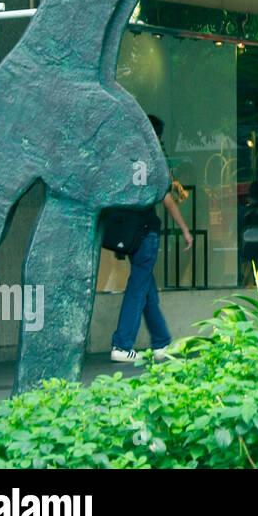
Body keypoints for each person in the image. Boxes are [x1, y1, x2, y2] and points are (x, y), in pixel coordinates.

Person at [110, 115, 192, 364]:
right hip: (147, 231)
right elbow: (166, 198)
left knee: (146, 289)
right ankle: (122, 344)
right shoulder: (153, 160)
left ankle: (161, 343)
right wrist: (184, 229)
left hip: (130, 232)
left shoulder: (124, 158)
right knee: (138, 287)